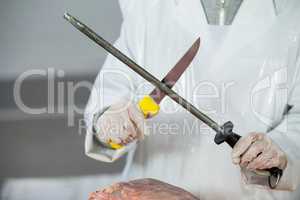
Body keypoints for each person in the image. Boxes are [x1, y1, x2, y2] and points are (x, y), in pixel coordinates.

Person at [84, 0, 300, 199]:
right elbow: (108, 98)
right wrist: (109, 118)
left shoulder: (293, 17)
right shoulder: (149, 8)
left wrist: (280, 153)